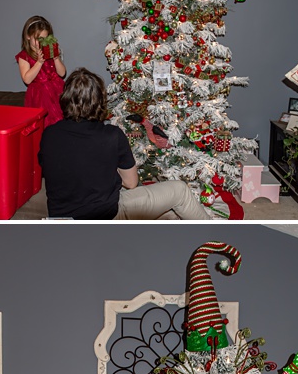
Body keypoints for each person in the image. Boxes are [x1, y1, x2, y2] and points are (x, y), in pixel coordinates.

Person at [38, 68, 213, 220]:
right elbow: (130, 183)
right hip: (106, 216)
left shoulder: (49, 134)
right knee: (180, 190)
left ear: (66, 98)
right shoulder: (112, 135)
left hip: (60, 218)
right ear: (99, 102)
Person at [16, 15, 66, 127]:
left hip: (57, 91)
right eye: (38, 39)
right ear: (28, 36)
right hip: (40, 96)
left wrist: (56, 58)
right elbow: (27, 79)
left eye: (45, 38)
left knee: (61, 123)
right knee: (44, 125)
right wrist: (39, 62)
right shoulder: (24, 56)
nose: (41, 42)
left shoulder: (49, 50)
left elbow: (62, 73)